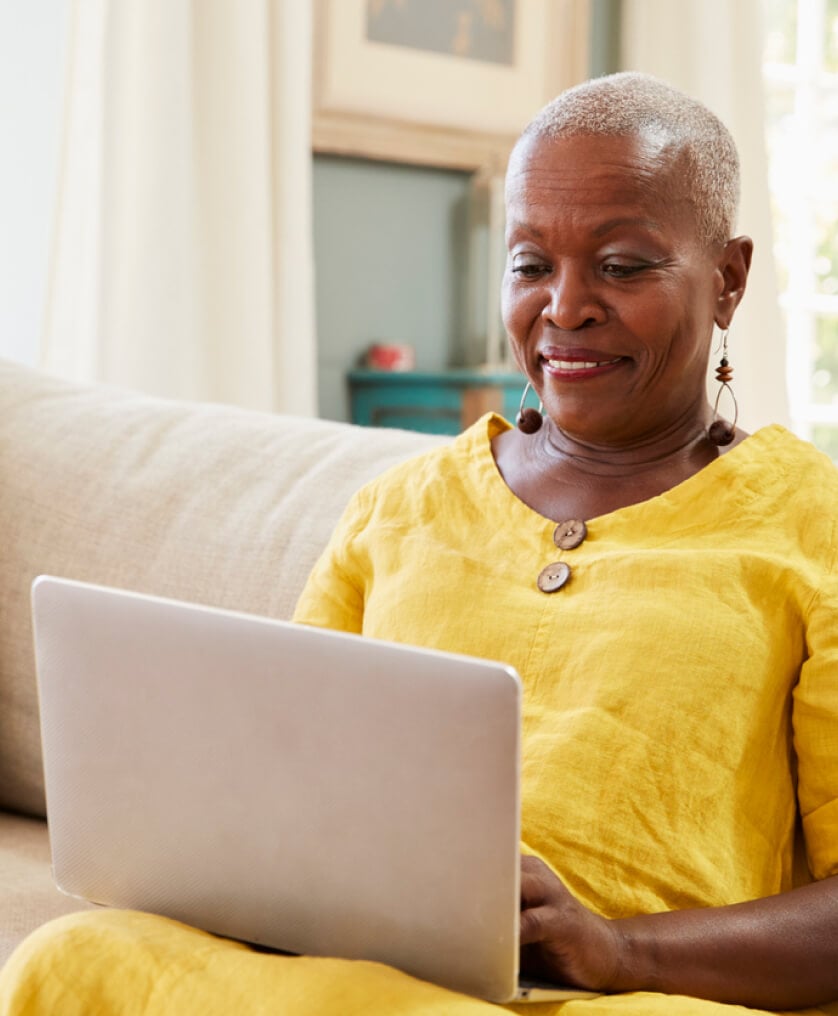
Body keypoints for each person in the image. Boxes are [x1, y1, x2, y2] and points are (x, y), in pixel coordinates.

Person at [2, 72, 837, 1016]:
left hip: (632, 993)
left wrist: (618, 950)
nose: (565, 308)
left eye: (623, 265)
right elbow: (284, 779)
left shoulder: (812, 525)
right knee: (73, 956)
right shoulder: (398, 509)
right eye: (530, 266)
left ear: (728, 278)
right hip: (367, 969)